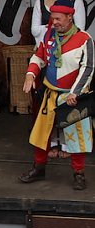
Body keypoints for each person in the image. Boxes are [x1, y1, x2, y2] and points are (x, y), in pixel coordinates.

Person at [18, 0, 94, 191]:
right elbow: (39, 56)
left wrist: (75, 92)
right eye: (53, 18)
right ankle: (39, 168)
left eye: (58, 19)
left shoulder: (84, 39)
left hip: (73, 97)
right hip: (50, 93)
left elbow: (88, 68)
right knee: (41, 133)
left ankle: (79, 173)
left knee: (77, 136)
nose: (55, 22)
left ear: (70, 17)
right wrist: (30, 74)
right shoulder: (49, 35)